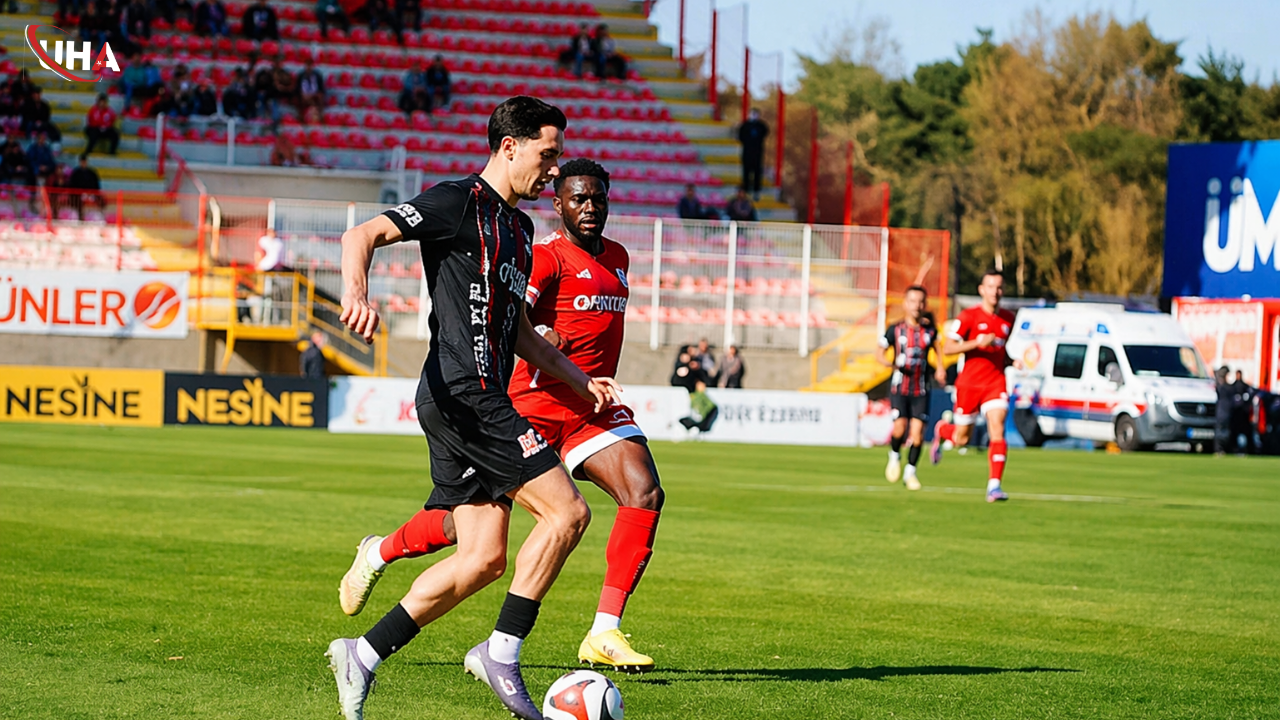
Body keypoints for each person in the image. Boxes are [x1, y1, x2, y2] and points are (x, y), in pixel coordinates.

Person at [327, 97, 619, 720]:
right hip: (465, 394)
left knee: (483, 558)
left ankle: (361, 654)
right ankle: (501, 652)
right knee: (568, 513)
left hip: (465, 398)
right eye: (548, 154)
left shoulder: (519, 230)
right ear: (510, 147)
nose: (555, 168)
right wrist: (357, 293)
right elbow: (361, 234)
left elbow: (521, 333)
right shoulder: (458, 201)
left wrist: (580, 380)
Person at [344, 158, 665, 674]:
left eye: (598, 198)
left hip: (587, 404)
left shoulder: (619, 257)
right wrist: (547, 337)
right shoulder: (544, 255)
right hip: (529, 404)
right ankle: (380, 552)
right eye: (579, 199)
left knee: (643, 491)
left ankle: (603, 630)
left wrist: (584, 380)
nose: (590, 207)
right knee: (470, 534)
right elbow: (514, 321)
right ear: (559, 204)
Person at [930, 271, 1019, 502]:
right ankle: (943, 430)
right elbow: (948, 348)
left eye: (999, 287)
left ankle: (994, 486)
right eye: (990, 286)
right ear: (981, 290)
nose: (995, 292)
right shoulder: (968, 316)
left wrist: (1012, 361)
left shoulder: (1008, 319)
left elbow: (1000, 351)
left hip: (995, 382)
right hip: (969, 385)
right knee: (962, 438)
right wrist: (976, 343)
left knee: (997, 426)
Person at [876, 286, 948, 491]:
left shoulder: (930, 331)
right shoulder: (895, 329)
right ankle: (894, 455)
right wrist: (889, 363)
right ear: (905, 304)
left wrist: (940, 368)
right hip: (899, 388)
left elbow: (938, 349)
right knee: (900, 428)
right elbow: (879, 352)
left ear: (925, 305)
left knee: (917, 434)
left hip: (921, 389)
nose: (917, 305)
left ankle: (910, 472)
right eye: (913, 301)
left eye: (921, 301)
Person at [737, 108, 769, 199]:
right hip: (747, 152)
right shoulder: (745, 125)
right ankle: (746, 188)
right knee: (746, 170)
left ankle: (756, 189)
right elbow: (741, 136)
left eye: (756, 114)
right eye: (753, 114)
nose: (754, 116)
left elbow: (765, 133)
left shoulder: (761, 126)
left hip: (757, 152)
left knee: (757, 171)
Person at [1231, 370, 1255, 454]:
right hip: (1236, 415)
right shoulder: (1233, 386)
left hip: (1244, 415)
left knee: (1245, 432)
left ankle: (1246, 449)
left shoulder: (1245, 387)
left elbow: (1250, 396)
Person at [1213, 366, 1233, 456]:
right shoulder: (1223, 388)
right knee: (1221, 431)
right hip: (1223, 412)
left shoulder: (1222, 387)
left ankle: (1221, 449)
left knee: (1223, 431)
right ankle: (1219, 449)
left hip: (1224, 411)